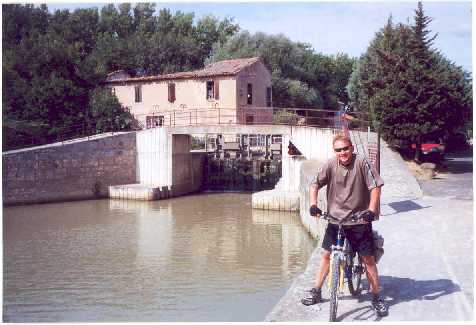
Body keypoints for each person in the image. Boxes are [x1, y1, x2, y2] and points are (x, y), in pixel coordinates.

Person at [301, 134, 389, 317]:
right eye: (338, 150)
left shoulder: (362, 162)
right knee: (326, 254)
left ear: (351, 148)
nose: (342, 153)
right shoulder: (331, 164)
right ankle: (316, 290)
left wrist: (371, 210)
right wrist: (313, 204)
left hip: (359, 220)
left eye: (345, 148)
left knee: (368, 259)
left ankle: (376, 296)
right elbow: (314, 184)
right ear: (335, 152)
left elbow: (375, 186)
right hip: (336, 220)